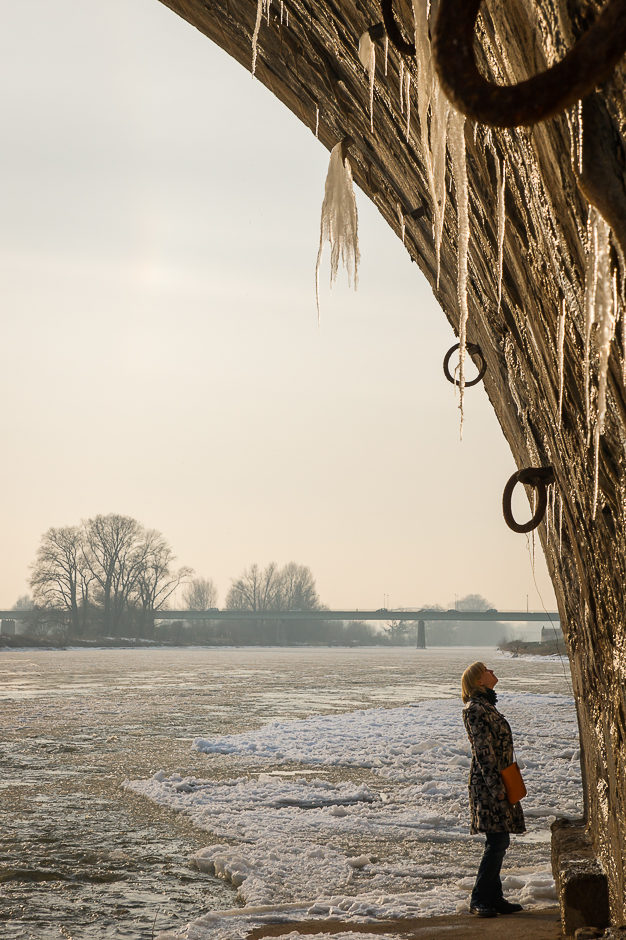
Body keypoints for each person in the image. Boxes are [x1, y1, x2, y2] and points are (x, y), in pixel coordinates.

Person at [461, 660, 525, 918]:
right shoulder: (475, 709)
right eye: (487, 670)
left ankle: (494, 897)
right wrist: (497, 788)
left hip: (498, 779)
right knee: (497, 839)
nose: (493, 672)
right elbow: (483, 752)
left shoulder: (486, 706)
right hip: (488, 784)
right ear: (478, 681)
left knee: (499, 838)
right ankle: (479, 899)